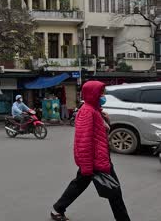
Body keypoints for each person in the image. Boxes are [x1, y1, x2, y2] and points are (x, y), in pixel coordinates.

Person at [50, 81, 130, 221]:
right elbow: (84, 141)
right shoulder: (87, 112)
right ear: (93, 94)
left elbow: (100, 133)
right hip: (96, 161)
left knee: (78, 185)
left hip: (99, 158)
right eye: (101, 93)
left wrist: (106, 120)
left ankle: (58, 208)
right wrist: (87, 166)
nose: (103, 96)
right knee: (115, 192)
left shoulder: (95, 110)